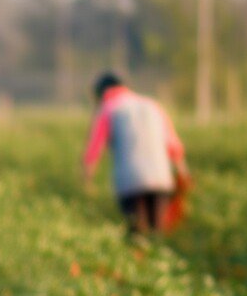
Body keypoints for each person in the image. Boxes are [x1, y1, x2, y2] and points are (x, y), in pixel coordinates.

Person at [81, 72, 190, 235]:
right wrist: (183, 172)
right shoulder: (152, 105)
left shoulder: (108, 108)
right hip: (161, 178)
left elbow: (94, 148)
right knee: (157, 233)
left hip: (130, 181)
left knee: (138, 233)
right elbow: (173, 144)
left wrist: (87, 179)